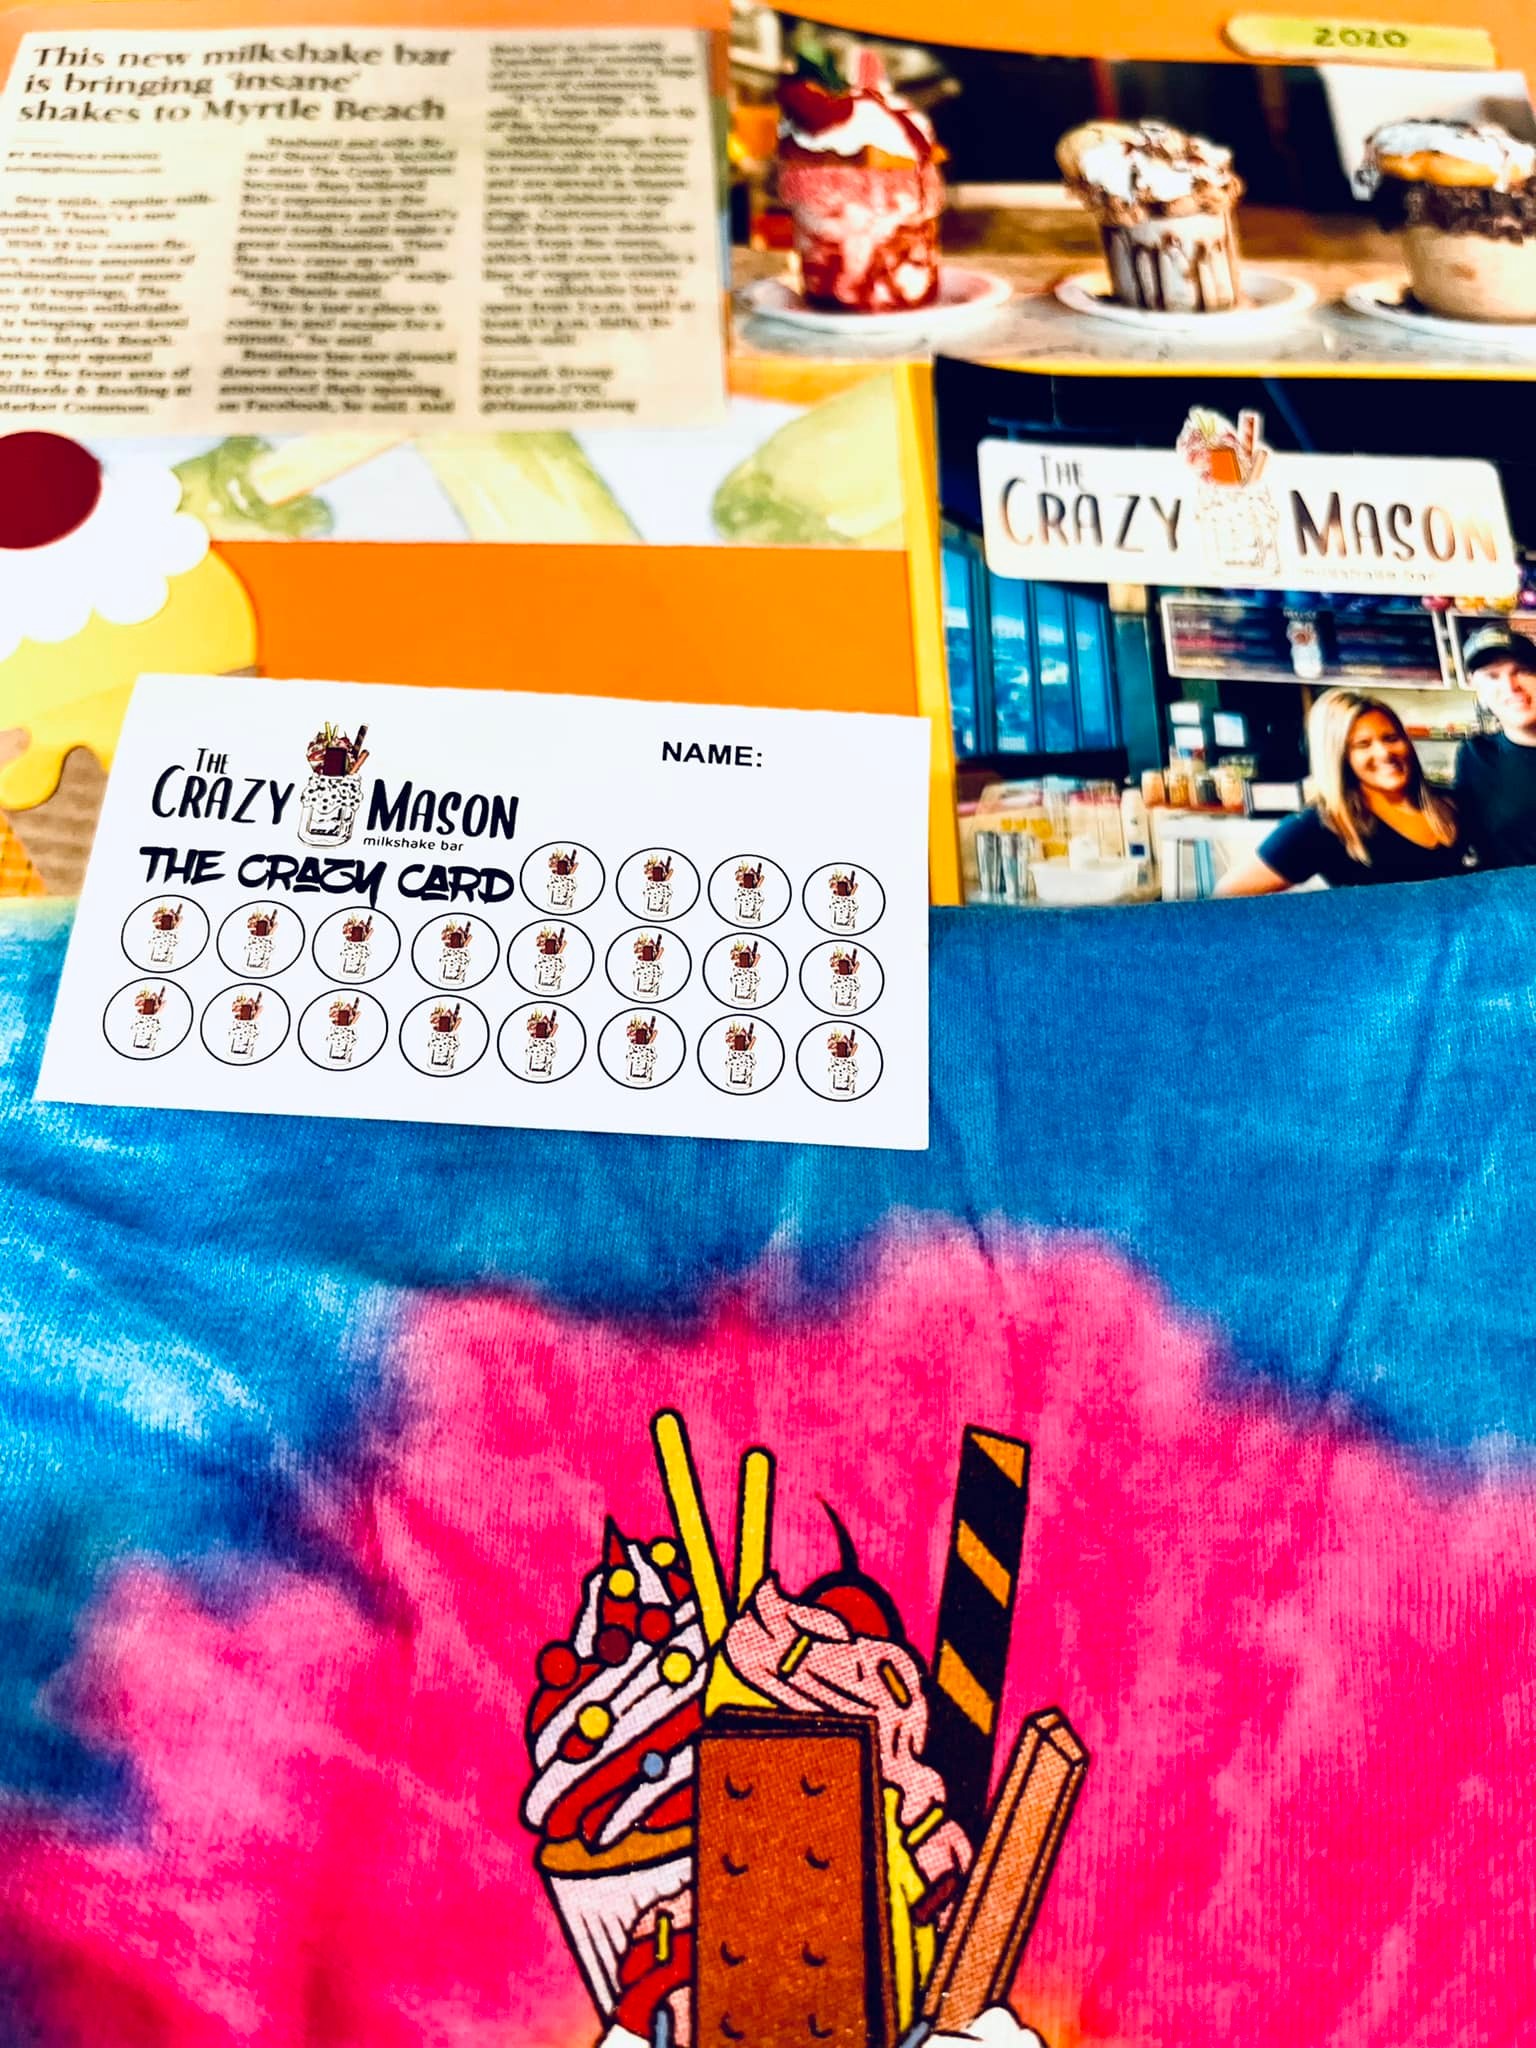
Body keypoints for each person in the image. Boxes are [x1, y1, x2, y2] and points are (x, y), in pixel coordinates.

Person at [1215, 688, 1470, 896]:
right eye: (1363, 745)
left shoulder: (1450, 801)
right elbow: (1226, 897)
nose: (1384, 753)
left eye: (1391, 738)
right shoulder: (1322, 826)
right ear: (1339, 757)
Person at [1453, 626, 1536, 869]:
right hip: (1510, 891)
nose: (1510, 687)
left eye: (1522, 670)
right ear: (1478, 689)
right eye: (1492, 676)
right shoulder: (1474, 755)